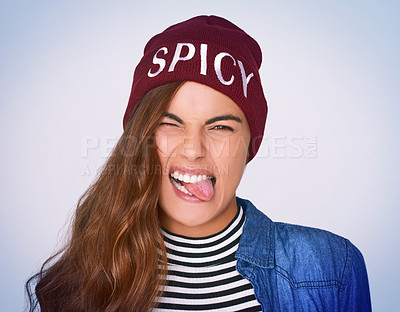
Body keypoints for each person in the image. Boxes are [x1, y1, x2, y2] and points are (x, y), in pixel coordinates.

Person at [26, 15, 371, 311]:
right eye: (169, 123)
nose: (193, 150)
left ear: (250, 143)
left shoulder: (330, 268)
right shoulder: (76, 281)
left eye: (220, 127)